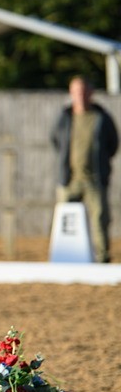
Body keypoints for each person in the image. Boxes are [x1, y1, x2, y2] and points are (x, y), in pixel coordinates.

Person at [50, 76, 118, 262]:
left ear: (91, 92)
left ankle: (102, 257)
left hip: (94, 179)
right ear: (71, 93)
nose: (80, 95)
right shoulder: (65, 117)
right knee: (65, 221)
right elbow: (56, 140)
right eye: (76, 91)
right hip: (69, 178)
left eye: (83, 91)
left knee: (99, 219)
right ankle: (65, 257)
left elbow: (113, 144)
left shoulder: (101, 117)